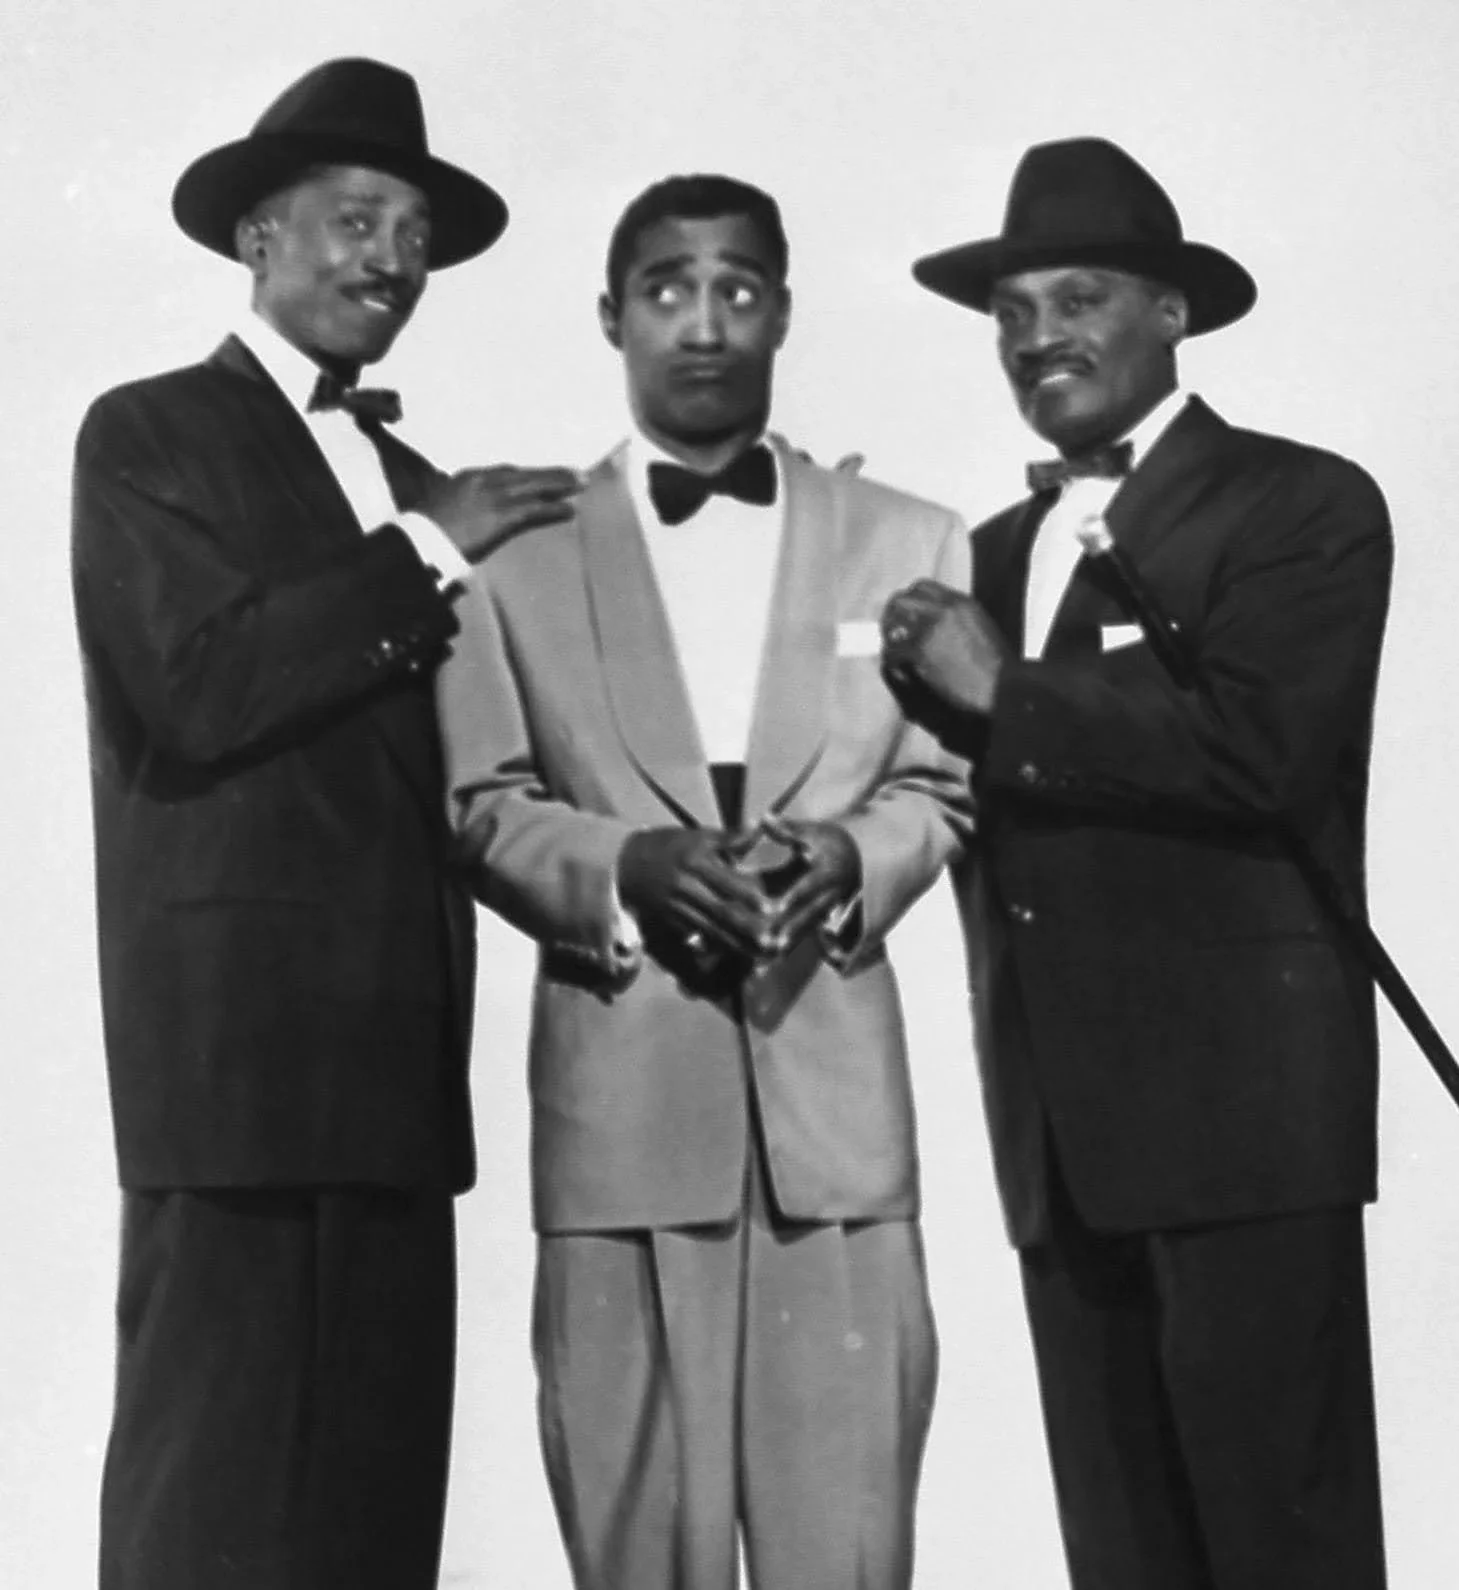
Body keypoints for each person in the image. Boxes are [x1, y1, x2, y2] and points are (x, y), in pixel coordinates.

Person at [71, 57, 581, 1590]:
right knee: (205, 1513)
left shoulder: (423, 477)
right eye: (357, 219)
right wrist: (428, 543)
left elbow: (485, 777)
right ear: (258, 240)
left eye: (415, 234)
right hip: (227, 1077)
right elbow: (200, 687)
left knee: (370, 1526)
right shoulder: (147, 432)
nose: (390, 260)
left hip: (397, 1078)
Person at [437, 173, 974, 1590]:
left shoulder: (910, 538)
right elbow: (481, 801)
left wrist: (850, 855)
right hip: (622, 1119)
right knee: (633, 1557)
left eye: (737, 289)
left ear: (782, 312)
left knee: (846, 1551)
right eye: (667, 288)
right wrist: (626, 866)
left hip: (837, 1128)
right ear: (610, 316)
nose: (703, 321)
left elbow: (945, 783)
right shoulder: (508, 554)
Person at [882, 136, 1391, 1590]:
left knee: (1279, 1546)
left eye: (1081, 295)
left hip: (1243, 1130)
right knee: (1121, 1555)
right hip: (1057, 1133)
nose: (1039, 335)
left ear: (1170, 313)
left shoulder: (1300, 505)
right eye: (1013, 311)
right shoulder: (982, 554)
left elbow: (1262, 748)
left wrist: (1005, 695)